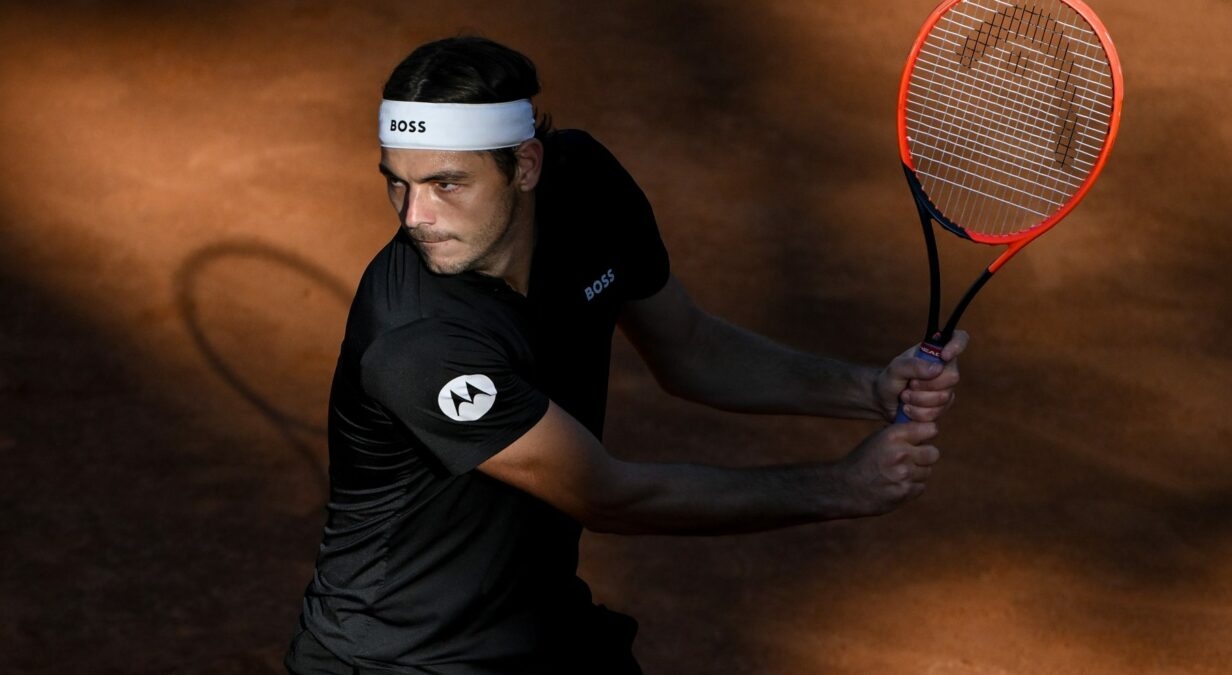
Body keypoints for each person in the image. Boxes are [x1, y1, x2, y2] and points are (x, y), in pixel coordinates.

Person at [285, 35, 967, 675]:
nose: (413, 216)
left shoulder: (587, 189)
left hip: (539, 628)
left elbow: (691, 348)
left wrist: (867, 389)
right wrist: (842, 486)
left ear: (524, 165)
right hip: (396, 658)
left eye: (445, 184)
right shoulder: (418, 340)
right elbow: (605, 492)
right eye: (396, 182)